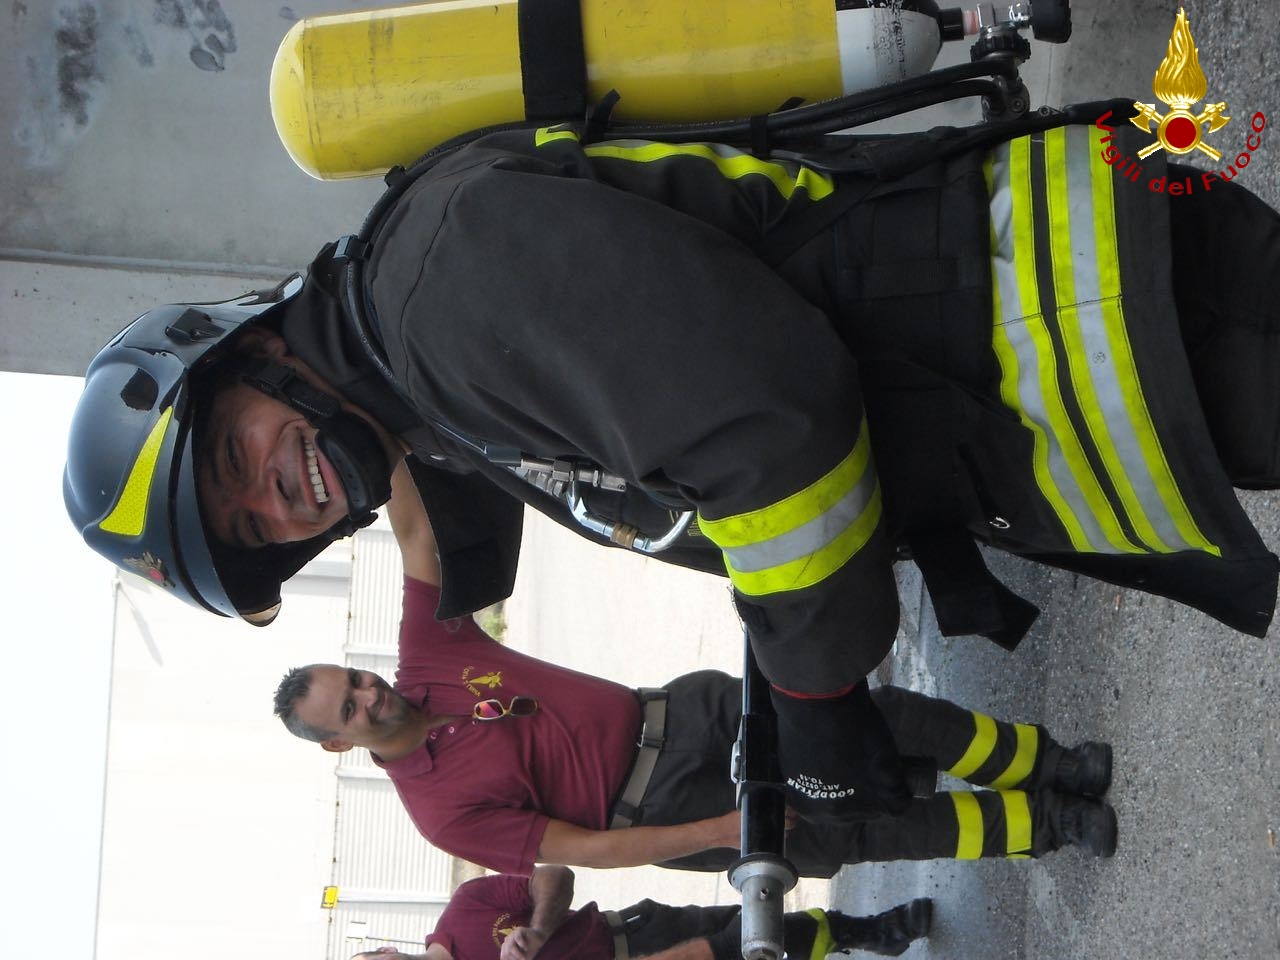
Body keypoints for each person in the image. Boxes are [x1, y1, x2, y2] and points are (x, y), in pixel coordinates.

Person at [64, 99, 1280, 821]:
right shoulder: (424, 394)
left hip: (1101, 314)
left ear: (249, 352)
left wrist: (814, 698)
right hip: (1079, 359)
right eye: (250, 527)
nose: (274, 495)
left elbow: (766, 426)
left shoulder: (438, 293)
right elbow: (687, 488)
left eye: (233, 455)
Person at [272, 463, 1117, 876]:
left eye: (354, 680)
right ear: (339, 746)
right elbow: (585, 849)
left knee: (871, 719)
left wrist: (367, 429)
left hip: (686, 712)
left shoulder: (429, 654)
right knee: (856, 831)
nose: (369, 695)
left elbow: (416, 532)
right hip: (667, 809)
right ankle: (1050, 823)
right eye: (348, 710)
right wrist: (718, 833)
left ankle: (1049, 762)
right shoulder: (438, 814)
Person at [348, 865, 932, 960]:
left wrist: (538, 928)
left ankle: (872, 932)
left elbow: (555, 875)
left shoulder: (464, 908)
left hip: (637, 934)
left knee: (758, 927)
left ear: (383, 951)